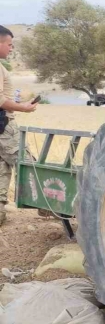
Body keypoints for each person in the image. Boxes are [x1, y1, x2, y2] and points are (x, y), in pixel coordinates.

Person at [0, 25, 37, 226]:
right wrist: (23, 108)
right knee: (27, 164)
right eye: (9, 44)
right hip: (4, 125)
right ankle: (48, 204)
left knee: (1, 169)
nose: (11, 48)